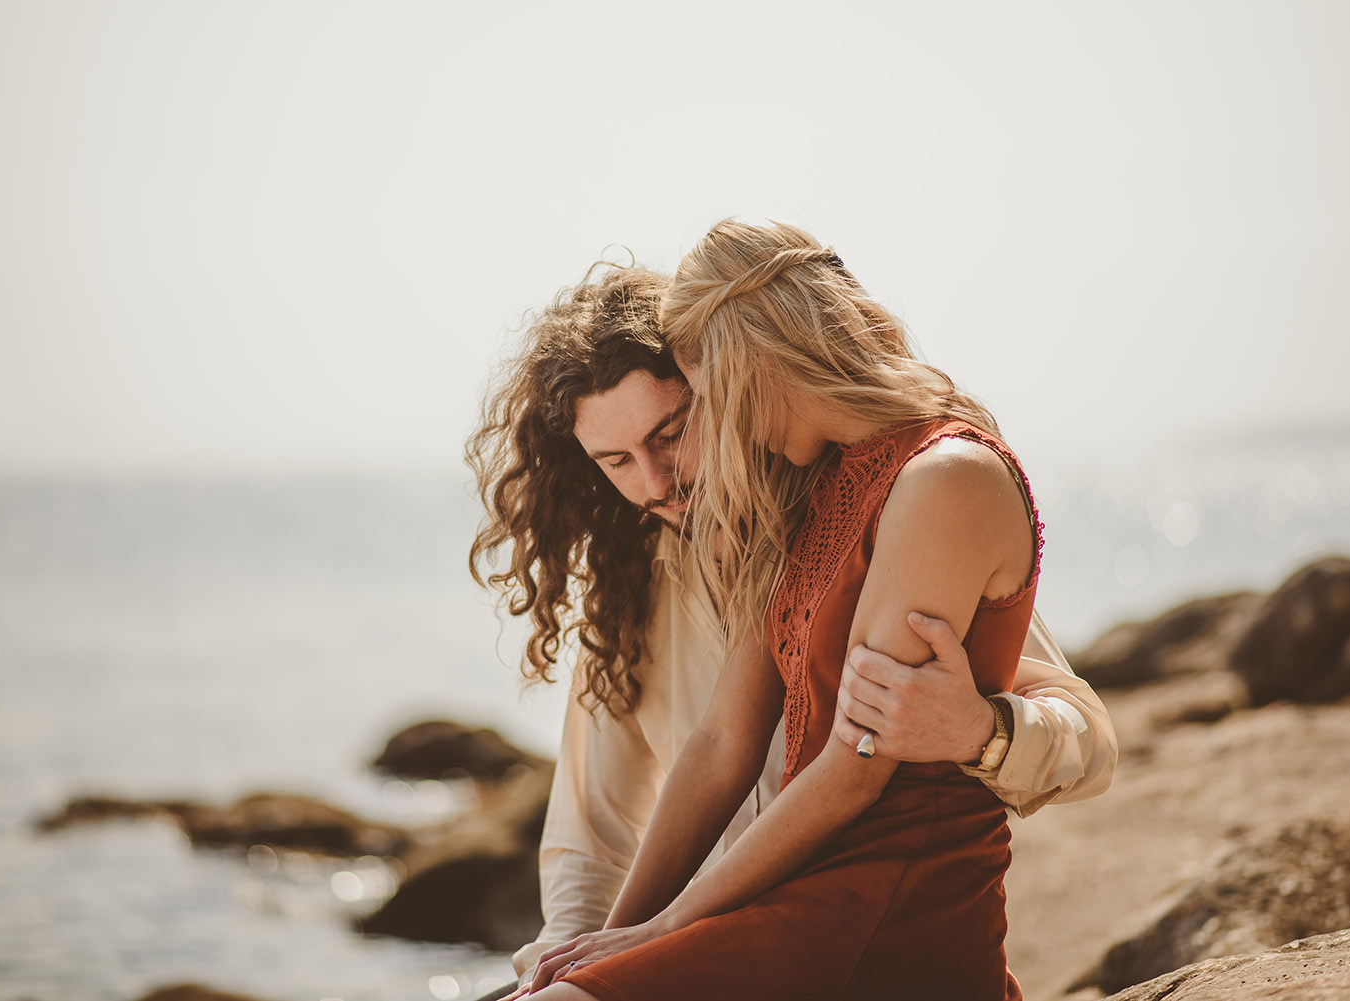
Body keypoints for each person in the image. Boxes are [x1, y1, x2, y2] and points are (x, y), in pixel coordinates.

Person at [466, 258, 1115, 997]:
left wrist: (982, 731)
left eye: (672, 434)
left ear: (724, 387)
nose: (655, 482)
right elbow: (596, 839)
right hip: (713, 938)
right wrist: (580, 960)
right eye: (616, 461)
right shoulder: (624, 598)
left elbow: (1088, 741)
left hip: (830, 925)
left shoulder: (890, 506)